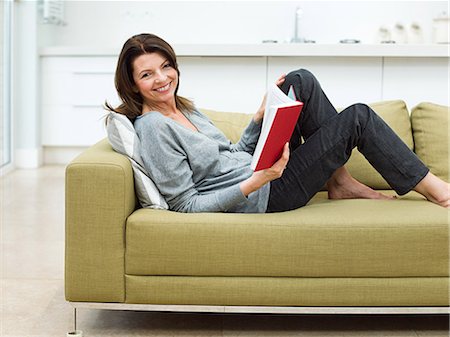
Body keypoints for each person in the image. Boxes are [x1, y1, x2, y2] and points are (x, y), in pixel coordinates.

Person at [105, 33, 450, 212]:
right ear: (133, 84)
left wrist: (258, 118)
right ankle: (438, 190)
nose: (162, 78)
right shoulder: (153, 128)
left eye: (166, 67)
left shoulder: (183, 108)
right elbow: (186, 203)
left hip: (260, 169)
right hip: (266, 194)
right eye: (147, 74)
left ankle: (340, 182)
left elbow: (233, 152)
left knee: (300, 80)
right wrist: (260, 180)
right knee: (357, 116)